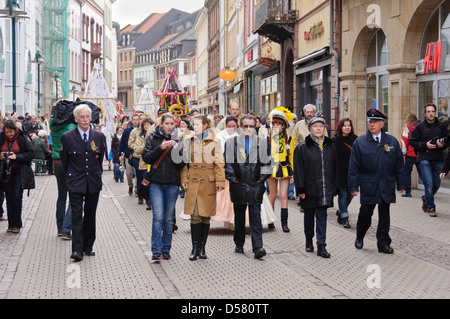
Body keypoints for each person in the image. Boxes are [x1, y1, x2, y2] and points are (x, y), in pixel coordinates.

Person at [349, 108, 406, 254]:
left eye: (375, 122)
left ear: (382, 123)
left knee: (384, 216)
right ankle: (360, 236)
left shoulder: (391, 141)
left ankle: (383, 243)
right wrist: (353, 186)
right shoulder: (360, 142)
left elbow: (399, 164)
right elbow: (353, 167)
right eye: (370, 121)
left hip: (386, 183)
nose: (372, 124)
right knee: (366, 214)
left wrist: (401, 184)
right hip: (369, 184)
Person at [60, 104, 106, 261]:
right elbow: (65, 160)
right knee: (76, 215)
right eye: (82, 117)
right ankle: (77, 249)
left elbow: (100, 160)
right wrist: (71, 177)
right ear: (76, 119)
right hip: (75, 181)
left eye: (87, 116)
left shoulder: (99, 136)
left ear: (91, 117)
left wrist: (96, 174)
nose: (85, 119)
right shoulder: (67, 137)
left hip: (93, 180)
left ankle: (88, 247)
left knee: (90, 214)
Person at [224, 115, 272, 259]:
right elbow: (228, 163)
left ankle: (258, 247)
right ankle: (239, 244)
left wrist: (261, 179)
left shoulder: (262, 142)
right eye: (245, 126)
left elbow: (267, 163)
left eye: (251, 126)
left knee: (255, 217)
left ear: (255, 127)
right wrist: (233, 179)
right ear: (240, 127)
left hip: (255, 185)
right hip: (238, 185)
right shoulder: (231, 142)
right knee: (239, 216)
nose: (248, 129)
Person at [181, 114, 225, 261]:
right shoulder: (188, 140)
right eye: (194, 124)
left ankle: (202, 248)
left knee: (206, 216)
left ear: (205, 125)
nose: (195, 126)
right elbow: (184, 163)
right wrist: (184, 178)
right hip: (193, 181)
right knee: (194, 215)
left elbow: (219, 163)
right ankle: (194, 248)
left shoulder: (215, 141)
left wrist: (220, 182)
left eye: (198, 124)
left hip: (208, 182)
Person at [142, 113, 185, 260]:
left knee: (168, 219)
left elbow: (182, 164)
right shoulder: (153, 138)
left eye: (172, 123)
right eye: (167, 123)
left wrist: (176, 150)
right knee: (158, 217)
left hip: (172, 184)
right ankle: (156, 250)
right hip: (156, 183)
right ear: (161, 125)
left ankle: (166, 249)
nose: (169, 126)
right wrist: (160, 148)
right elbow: (146, 158)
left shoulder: (179, 140)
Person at [294, 117, 338, 258]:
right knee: (308, 216)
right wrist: (300, 190)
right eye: (315, 126)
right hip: (309, 188)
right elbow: (299, 170)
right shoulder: (302, 147)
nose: (318, 128)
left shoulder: (330, 145)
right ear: (310, 129)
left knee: (321, 216)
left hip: (324, 188)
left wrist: (335, 187)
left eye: (321, 126)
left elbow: (335, 167)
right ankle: (308, 240)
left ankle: (321, 245)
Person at [410, 103, 448, 217]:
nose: (431, 114)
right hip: (424, 158)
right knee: (429, 184)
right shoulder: (420, 126)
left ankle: (425, 198)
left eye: (432, 111)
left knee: (437, 184)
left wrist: (443, 145)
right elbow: (413, 142)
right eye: (428, 111)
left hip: (437, 158)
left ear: (435, 112)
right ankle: (431, 207)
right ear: (425, 113)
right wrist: (425, 145)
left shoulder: (441, 126)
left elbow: (447, 141)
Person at [0, 120, 35, 233]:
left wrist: (17, 157)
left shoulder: (22, 138)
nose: (9, 134)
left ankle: (17, 224)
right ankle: (11, 224)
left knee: (16, 196)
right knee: (9, 197)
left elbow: (31, 153)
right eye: (7, 132)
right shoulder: (1, 139)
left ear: (15, 130)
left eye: (11, 132)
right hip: (6, 172)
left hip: (19, 171)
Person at [267, 107, 295, 232]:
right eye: (274, 124)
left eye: (279, 124)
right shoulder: (267, 138)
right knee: (272, 195)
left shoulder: (289, 139)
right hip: (271, 167)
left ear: (284, 126)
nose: (277, 126)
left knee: (283, 195)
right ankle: (270, 220)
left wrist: (293, 174)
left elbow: (292, 157)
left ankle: (285, 223)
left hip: (284, 168)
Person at [332, 118, 358, 228]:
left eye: (349, 125)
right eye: (344, 125)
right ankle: (345, 217)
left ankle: (341, 211)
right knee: (343, 195)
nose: (347, 127)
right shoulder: (335, 141)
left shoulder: (356, 140)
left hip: (353, 172)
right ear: (340, 127)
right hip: (340, 172)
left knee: (351, 195)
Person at [132, 117, 153, 206]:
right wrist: (146, 146)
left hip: (153, 163)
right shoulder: (140, 137)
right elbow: (136, 149)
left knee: (152, 183)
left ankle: (151, 200)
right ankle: (146, 199)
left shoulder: (155, 135)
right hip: (144, 163)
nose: (147, 126)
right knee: (145, 181)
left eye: (148, 124)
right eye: (145, 125)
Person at [401, 113, 421, 197]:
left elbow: (404, 141)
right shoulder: (421, 127)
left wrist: (403, 152)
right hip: (420, 154)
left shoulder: (407, 128)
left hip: (410, 154)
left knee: (407, 173)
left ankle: (408, 191)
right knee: (422, 173)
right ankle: (429, 190)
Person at [119, 114, 139, 196]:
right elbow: (122, 143)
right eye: (134, 119)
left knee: (138, 173)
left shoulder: (141, 130)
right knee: (128, 173)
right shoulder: (127, 131)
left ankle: (137, 188)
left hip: (138, 155)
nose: (135, 121)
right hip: (128, 155)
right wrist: (120, 153)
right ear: (131, 120)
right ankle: (130, 186)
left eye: (137, 119)